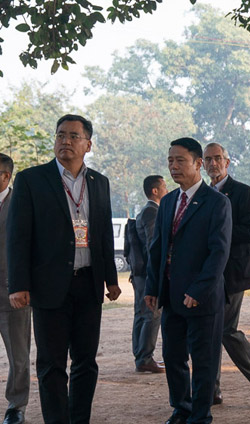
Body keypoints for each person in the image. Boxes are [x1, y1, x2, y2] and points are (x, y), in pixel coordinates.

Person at [7, 114, 121, 423]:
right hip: (49, 286)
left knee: (86, 362)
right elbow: (18, 236)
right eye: (60, 135)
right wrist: (18, 283)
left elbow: (103, 235)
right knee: (51, 364)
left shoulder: (99, 182)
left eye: (73, 136)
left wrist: (111, 279)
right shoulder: (32, 180)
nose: (65, 141)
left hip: (88, 284)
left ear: (88, 144)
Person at [144, 137, 232, 424]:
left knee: (204, 361)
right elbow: (157, 248)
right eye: (170, 160)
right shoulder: (168, 201)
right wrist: (152, 287)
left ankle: (200, 415)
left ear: (198, 164)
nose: (173, 166)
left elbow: (219, 253)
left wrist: (199, 289)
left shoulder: (217, 203)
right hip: (171, 295)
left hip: (202, 298)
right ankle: (181, 409)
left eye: (180, 160)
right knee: (173, 357)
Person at [202, 142, 250, 408]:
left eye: (217, 159)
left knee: (225, 330)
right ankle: (212, 390)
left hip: (233, 274)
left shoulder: (243, 192)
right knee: (208, 331)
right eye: (207, 159)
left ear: (227, 162)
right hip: (207, 274)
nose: (213, 164)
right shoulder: (202, 193)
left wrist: (220, 232)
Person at [0, 154, 30, 424]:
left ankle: (16, 407)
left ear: (5, 177)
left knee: (18, 356)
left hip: (13, 294)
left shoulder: (21, 203)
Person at [130, 175, 168, 374]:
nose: (167, 189)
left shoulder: (145, 211)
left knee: (142, 313)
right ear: (155, 190)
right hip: (148, 273)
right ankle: (145, 357)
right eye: (164, 186)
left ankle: (141, 356)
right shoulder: (152, 212)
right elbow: (154, 245)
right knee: (151, 314)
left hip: (140, 273)